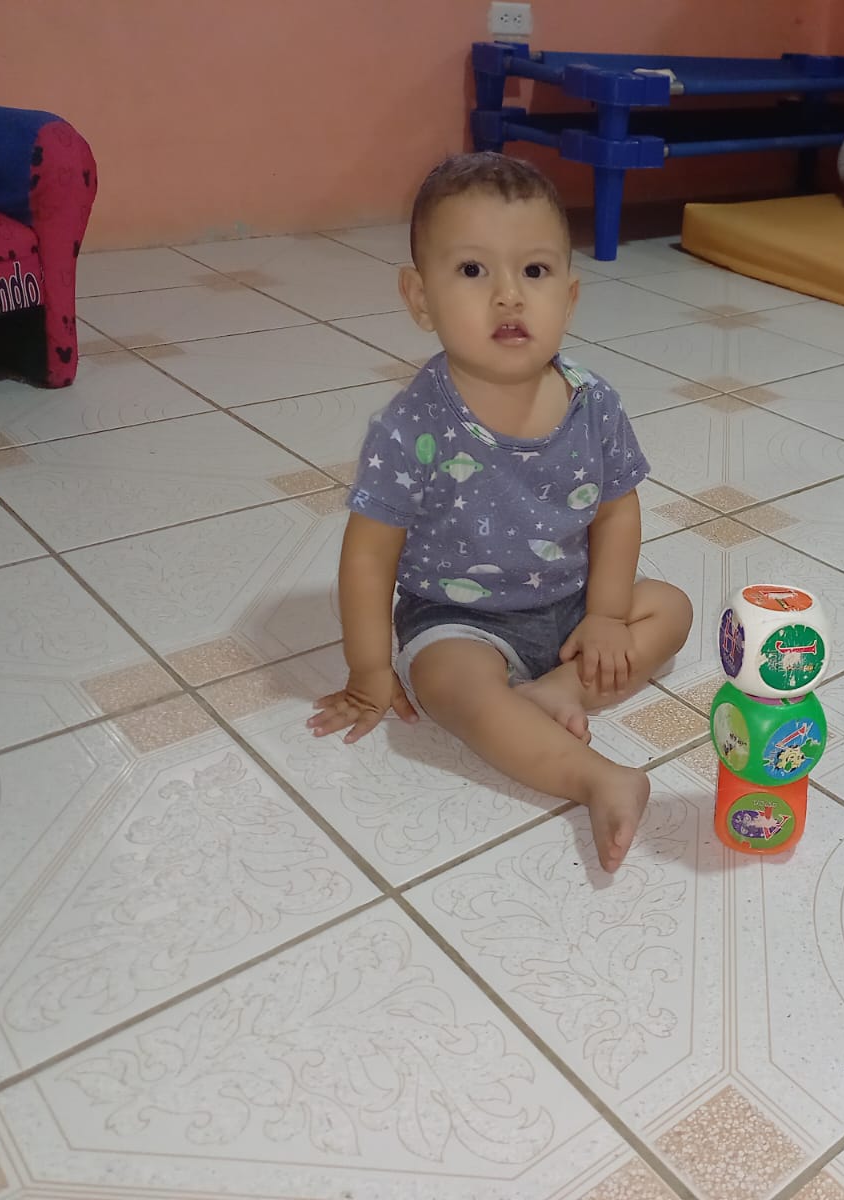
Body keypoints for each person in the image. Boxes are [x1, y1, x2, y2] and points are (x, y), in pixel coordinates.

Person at [308, 153, 693, 873]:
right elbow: (368, 557)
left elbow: (616, 513)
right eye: (473, 270)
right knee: (447, 684)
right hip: (460, 619)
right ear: (419, 298)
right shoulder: (410, 427)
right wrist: (369, 669)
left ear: (569, 298)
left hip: (573, 605)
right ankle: (598, 778)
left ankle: (554, 691)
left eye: (535, 271)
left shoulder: (593, 403)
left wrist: (606, 616)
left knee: (670, 609)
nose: (509, 296)